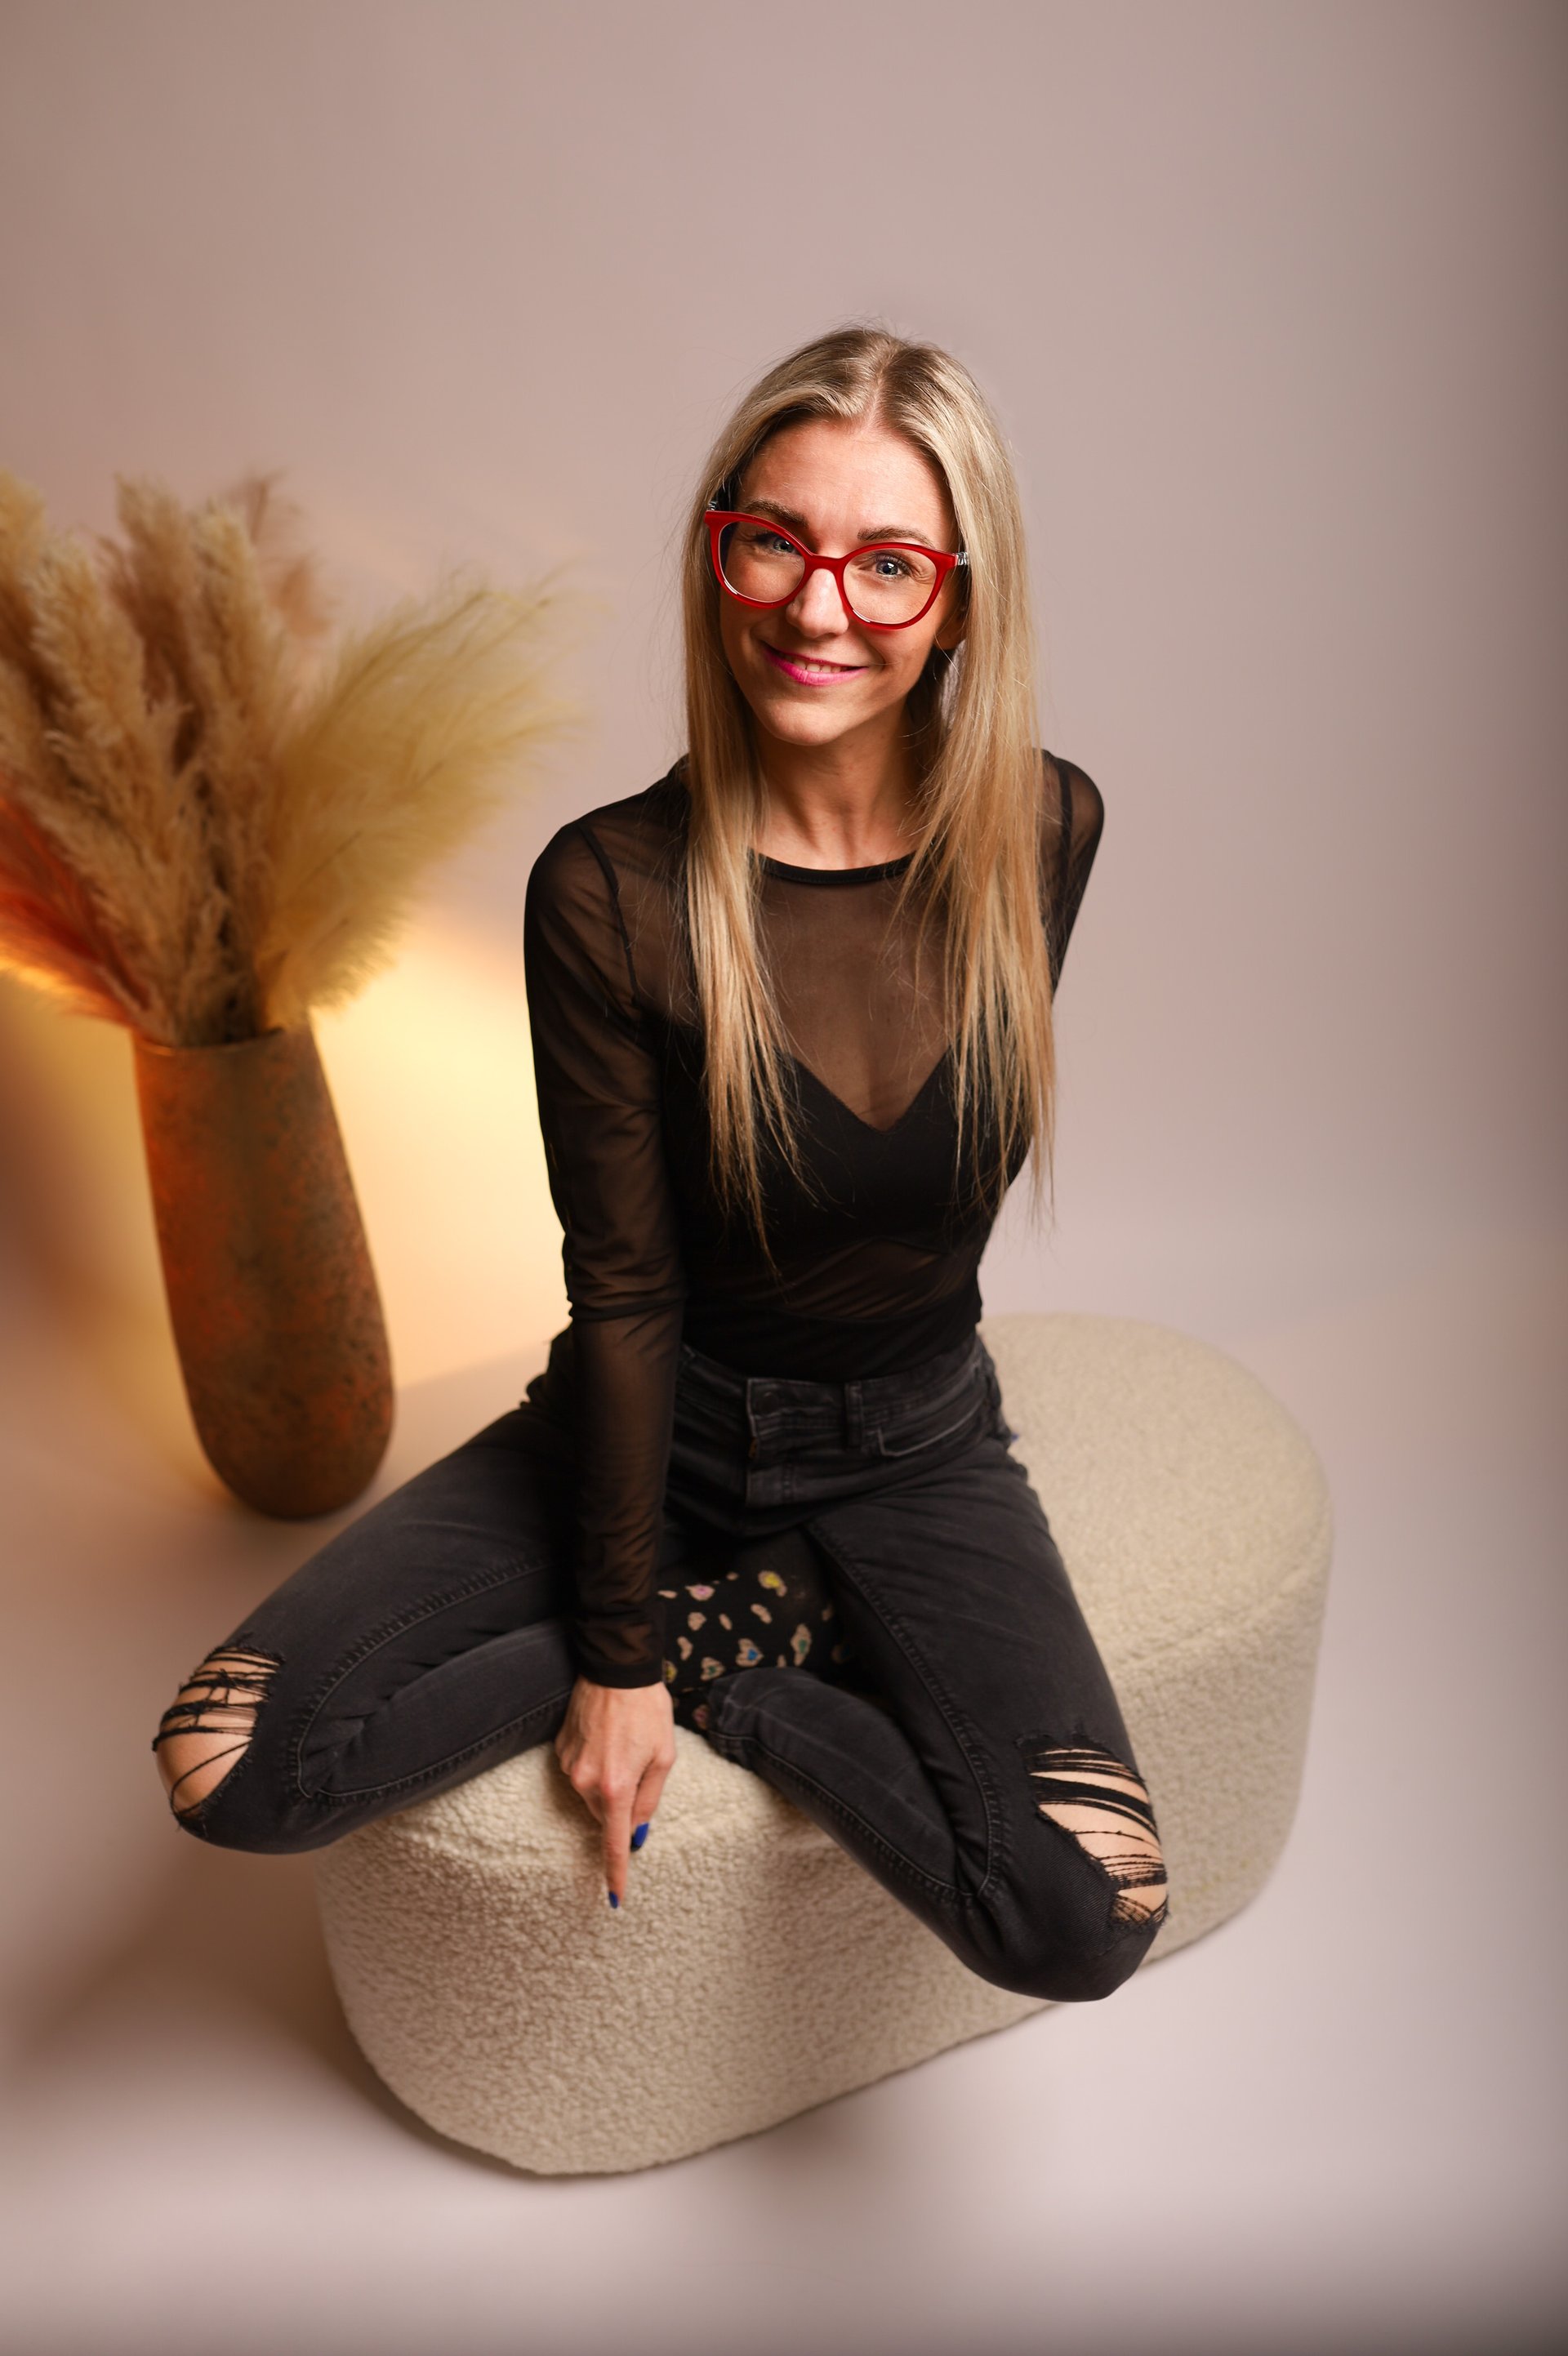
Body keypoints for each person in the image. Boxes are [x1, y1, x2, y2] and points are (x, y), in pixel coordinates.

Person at [154, 327, 1167, 2002]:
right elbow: (624, 1289)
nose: (818, 607)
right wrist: (614, 1651)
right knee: (225, 1762)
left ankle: (750, 1655)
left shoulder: (1046, 834)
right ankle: (716, 1617)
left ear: (964, 599)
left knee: (1089, 1909)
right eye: (772, 540)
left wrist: (685, 1672)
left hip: (918, 1445)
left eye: (889, 563)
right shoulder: (612, 893)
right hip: (662, 1424)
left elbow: (908, 1221)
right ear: (718, 554)